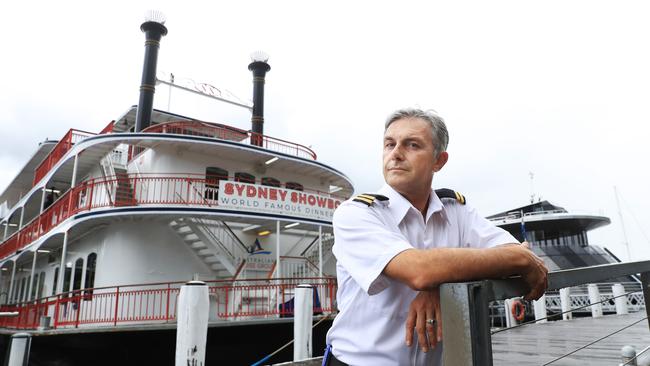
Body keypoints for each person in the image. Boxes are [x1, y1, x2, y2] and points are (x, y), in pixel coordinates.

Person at [324, 108, 548, 365]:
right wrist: (434, 279)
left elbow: (514, 249)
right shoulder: (356, 214)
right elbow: (419, 271)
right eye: (389, 144)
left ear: (439, 161)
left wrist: (438, 285)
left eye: (412, 145)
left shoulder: (456, 210)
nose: (396, 153)